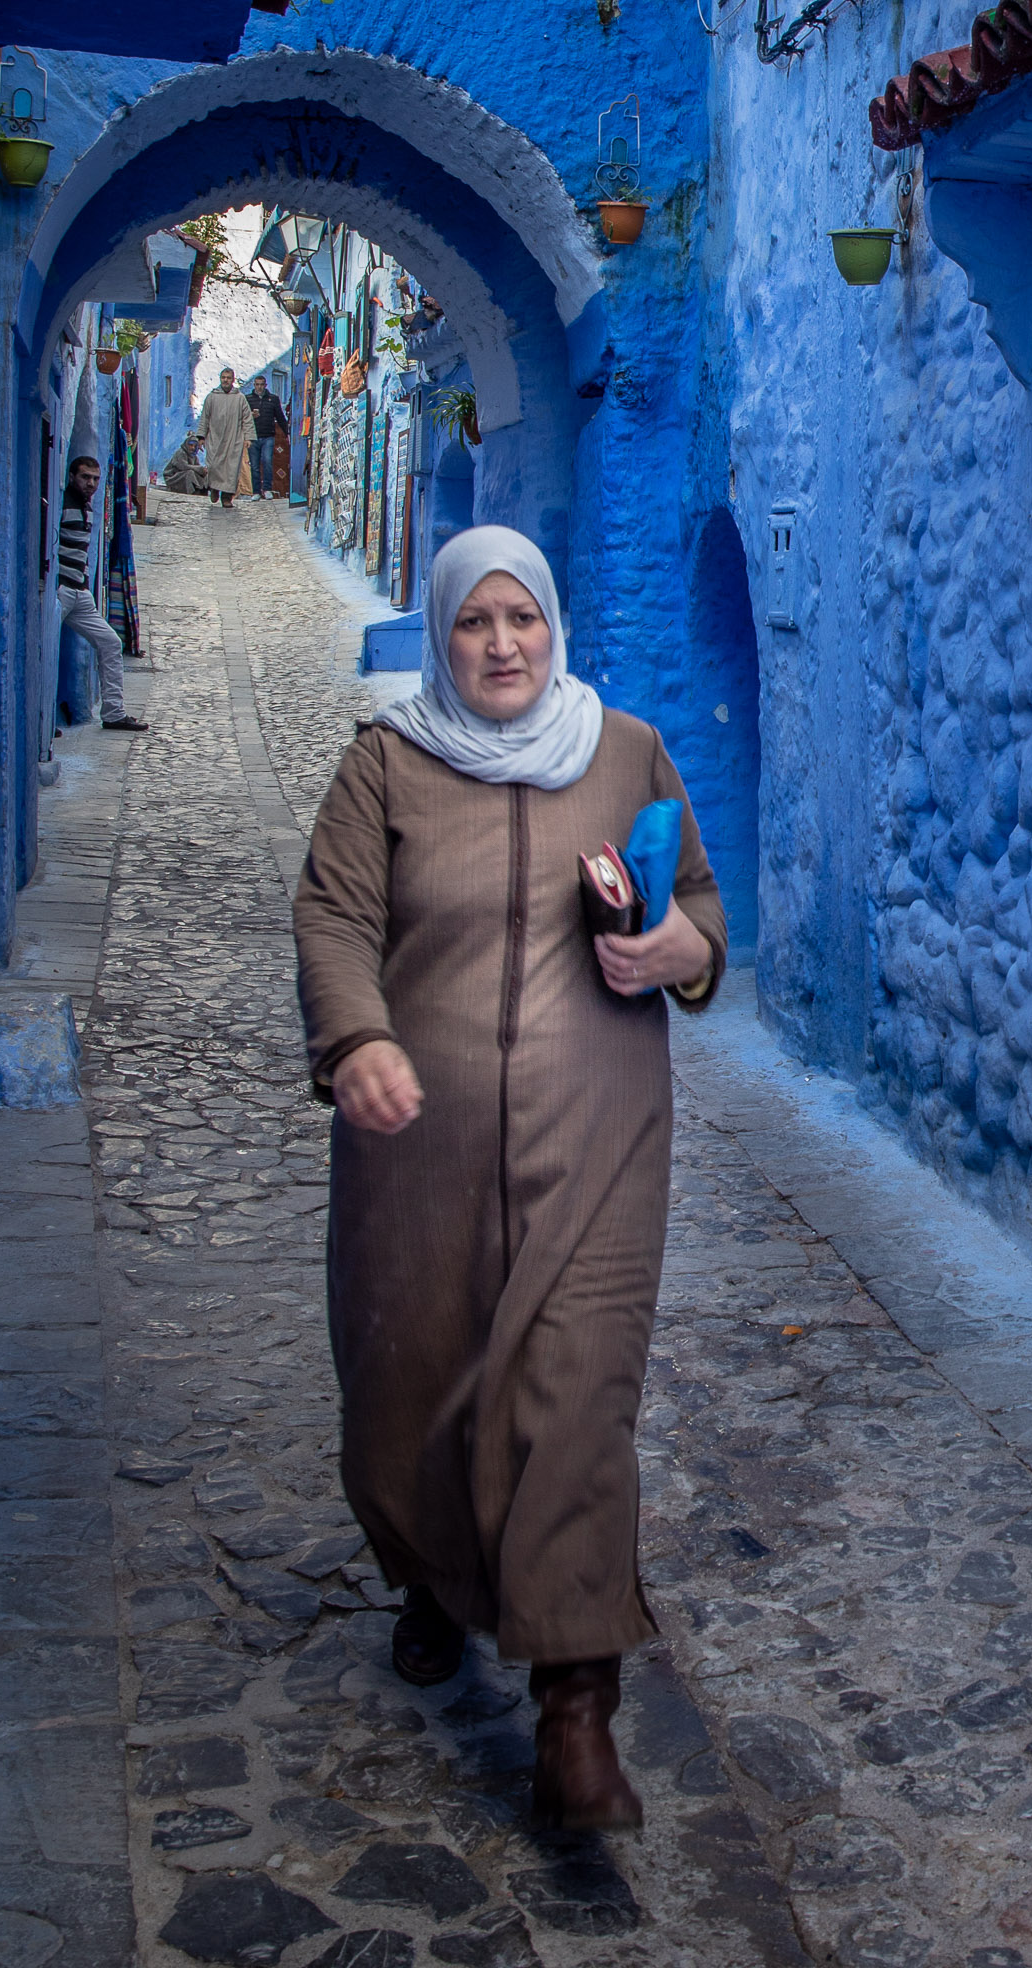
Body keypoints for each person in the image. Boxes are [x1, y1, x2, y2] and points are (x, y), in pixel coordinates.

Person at [293, 526, 725, 1833]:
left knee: (577, 1401)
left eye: (520, 620)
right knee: (417, 1380)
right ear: (442, 632)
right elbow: (333, 916)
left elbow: (700, 908)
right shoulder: (388, 767)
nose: (500, 645)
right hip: (416, 1159)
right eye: (474, 623)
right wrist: (358, 1038)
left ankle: (575, 1715)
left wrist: (677, 954)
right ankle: (432, 1574)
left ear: (552, 626)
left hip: (597, 1146)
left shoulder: (627, 750)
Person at [56, 454, 147, 734]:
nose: (91, 484)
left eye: (95, 479)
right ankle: (41, 721)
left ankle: (114, 713)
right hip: (60, 590)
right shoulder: (62, 503)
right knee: (43, 650)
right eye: (85, 477)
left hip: (80, 593)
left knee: (109, 642)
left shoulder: (88, 507)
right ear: (72, 477)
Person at [196, 367, 252, 508]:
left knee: (231, 470)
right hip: (215, 438)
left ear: (233, 380)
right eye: (223, 377)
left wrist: (248, 437)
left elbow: (247, 418)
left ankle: (227, 498)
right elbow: (205, 417)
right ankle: (214, 488)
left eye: (228, 378)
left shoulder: (240, 398)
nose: (225, 380)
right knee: (214, 465)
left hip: (234, 439)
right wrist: (201, 436)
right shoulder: (212, 397)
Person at [245, 375, 288, 500]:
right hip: (253, 436)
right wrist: (250, 416)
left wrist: (287, 433)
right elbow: (243, 418)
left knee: (267, 462)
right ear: (254, 385)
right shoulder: (248, 399)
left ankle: (268, 489)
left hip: (268, 435)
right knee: (254, 465)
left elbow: (280, 416)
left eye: (262, 384)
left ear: (265, 385)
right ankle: (256, 491)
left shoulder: (273, 399)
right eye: (257, 384)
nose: (259, 387)